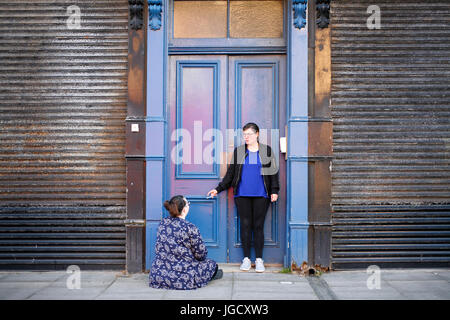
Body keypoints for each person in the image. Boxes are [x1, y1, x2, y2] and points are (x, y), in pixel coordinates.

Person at [207, 122, 279, 273]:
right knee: (245, 226)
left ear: (257, 134)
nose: (246, 137)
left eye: (249, 134)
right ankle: (246, 259)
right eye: (244, 134)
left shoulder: (266, 151)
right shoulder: (239, 151)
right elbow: (230, 174)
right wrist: (218, 189)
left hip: (262, 194)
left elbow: (273, 173)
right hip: (242, 194)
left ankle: (259, 260)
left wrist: (274, 190)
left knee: (258, 226)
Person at [149, 195, 223, 290]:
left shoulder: (162, 224)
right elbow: (201, 254)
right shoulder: (190, 227)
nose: (189, 205)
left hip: (158, 275)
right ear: (184, 210)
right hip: (183, 277)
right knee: (212, 265)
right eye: (188, 204)